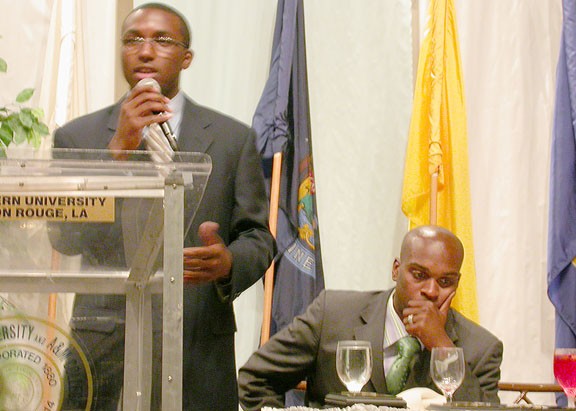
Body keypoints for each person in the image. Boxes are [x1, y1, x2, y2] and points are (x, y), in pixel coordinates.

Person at [50, 3, 275, 410]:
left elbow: (258, 237)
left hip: (197, 343)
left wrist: (228, 263)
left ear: (186, 57)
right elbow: (64, 236)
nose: (145, 51)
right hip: (102, 345)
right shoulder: (76, 136)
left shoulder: (231, 138)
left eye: (162, 40)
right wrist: (116, 152)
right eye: (133, 39)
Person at [238, 225, 503, 409]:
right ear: (396, 270)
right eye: (419, 275)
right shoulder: (332, 315)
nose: (431, 291)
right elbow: (255, 380)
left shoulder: (481, 348)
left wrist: (442, 347)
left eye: (445, 281)